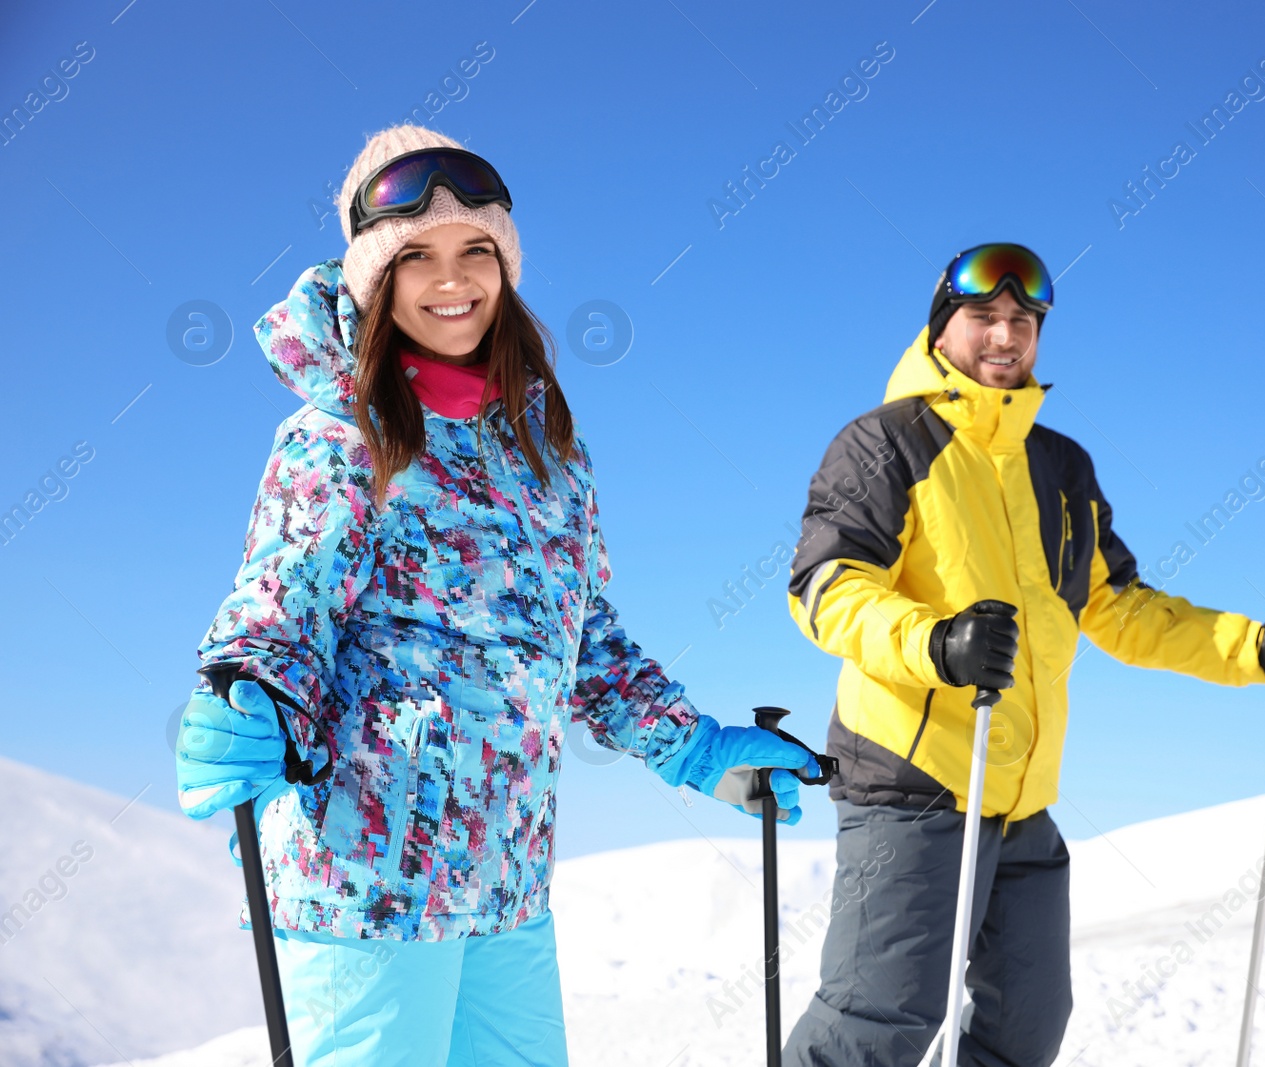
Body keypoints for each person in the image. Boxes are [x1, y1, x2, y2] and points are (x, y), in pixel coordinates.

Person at [172, 125, 819, 1067]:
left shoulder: (547, 454)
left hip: (507, 879)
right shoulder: (340, 436)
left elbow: (587, 643)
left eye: (476, 249)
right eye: (417, 256)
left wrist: (701, 753)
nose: (453, 278)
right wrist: (245, 688)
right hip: (367, 883)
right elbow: (283, 607)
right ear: (375, 278)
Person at [781, 242, 1265, 1066]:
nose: (1005, 337)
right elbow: (825, 586)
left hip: (1021, 795)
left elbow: (1119, 605)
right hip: (914, 783)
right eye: (984, 318)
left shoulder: (1062, 467)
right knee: (879, 1016)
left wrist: (1254, 647)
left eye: (1022, 322)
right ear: (942, 330)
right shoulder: (884, 444)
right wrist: (937, 641)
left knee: (1028, 1021)